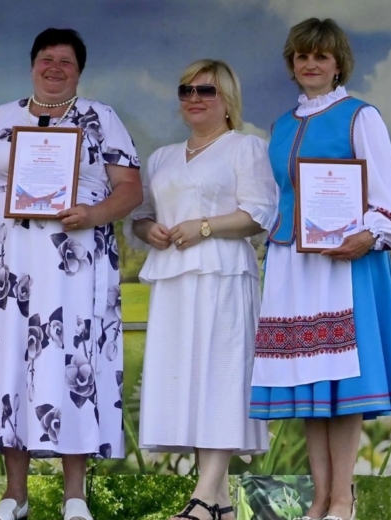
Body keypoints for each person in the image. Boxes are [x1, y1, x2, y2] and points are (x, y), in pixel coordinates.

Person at [0, 28, 142, 520]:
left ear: (80, 71)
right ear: (32, 64)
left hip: (72, 264)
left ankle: (74, 495)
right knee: (7, 365)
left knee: (70, 360)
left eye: (66, 61)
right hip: (5, 269)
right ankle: (14, 495)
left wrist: (94, 214)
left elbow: (130, 189)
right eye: (46, 58)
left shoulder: (101, 118)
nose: (55, 67)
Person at [248, 18, 391, 520]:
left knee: (342, 384)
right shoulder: (281, 125)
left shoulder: (360, 116)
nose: (310, 64)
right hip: (292, 264)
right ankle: (320, 498)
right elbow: (275, 199)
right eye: (302, 56)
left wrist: (369, 234)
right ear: (292, 64)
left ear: (338, 63)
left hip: (344, 264)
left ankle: (344, 497)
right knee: (310, 383)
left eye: (320, 56)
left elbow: (386, 197)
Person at [129, 60, 276, 520]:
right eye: (186, 90)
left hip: (223, 276)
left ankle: (203, 495)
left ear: (227, 99)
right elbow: (142, 215)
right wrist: (149, 229)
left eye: (206, 90)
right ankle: (220, 505)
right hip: (174, 278)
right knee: (189, 381)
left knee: (221, 378)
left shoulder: (246, 148)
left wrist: (205, 226)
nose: (194, 98)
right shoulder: (162, 157)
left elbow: (260, 213)